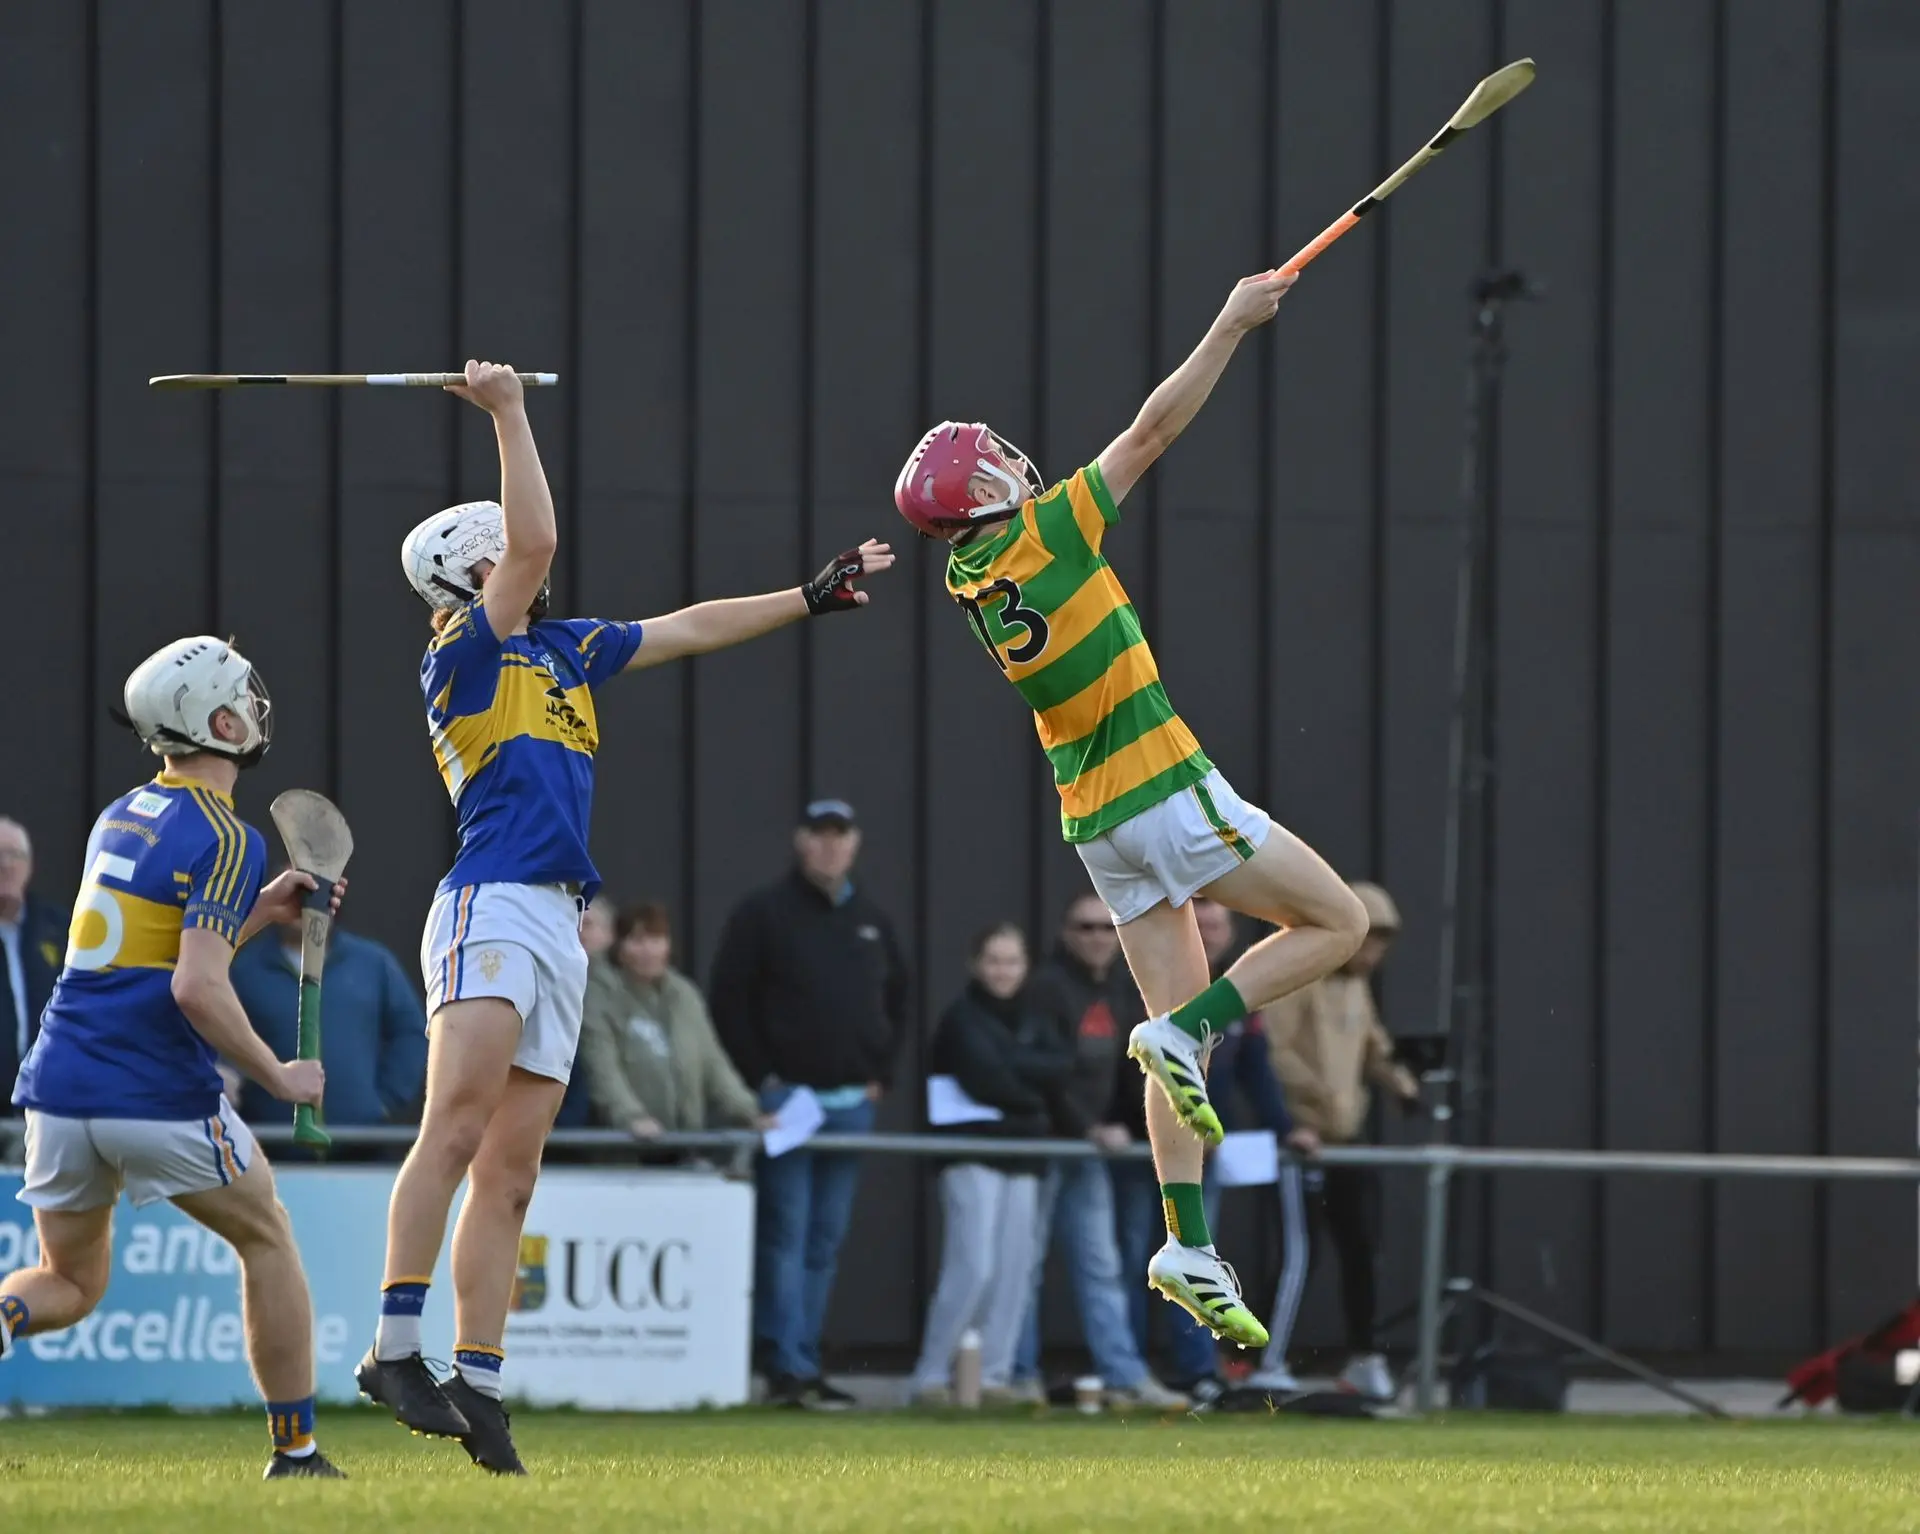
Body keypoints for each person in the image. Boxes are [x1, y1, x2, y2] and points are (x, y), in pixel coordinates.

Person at [361, 360, 894, 1471]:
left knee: (512, 1172)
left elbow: (689, 627)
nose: (520, 560)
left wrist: (806, 596)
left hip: (559, 921)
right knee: (454, 1127)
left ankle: (481, 1380)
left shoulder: (565, 651)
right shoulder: (463, 652)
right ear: (466, 574)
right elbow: (538, 540)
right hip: (491, 902)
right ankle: (394, 1348)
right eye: (492, 554)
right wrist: (509, 412)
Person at [895, 270, 1369, 1349]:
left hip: (1096, 826)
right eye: (993, 457)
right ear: (985, 490)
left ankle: (1187, 1242)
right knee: (1336, 922)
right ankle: (1186, 1033)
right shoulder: (1046, 532)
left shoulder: (971, 576)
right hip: (1163, 789)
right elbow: (1152, 430)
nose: (1014, 457)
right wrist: (1231, 323)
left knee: (1170, 1046)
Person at [1, 637, 346, 1478]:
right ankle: (296, 1452)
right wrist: (278, 1075)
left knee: (69, 1283)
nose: (255, 708)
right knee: (267, 1236)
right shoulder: (226, 835)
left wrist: (258, 911)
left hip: (59, 1087)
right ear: (220, 724)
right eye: (244, 698)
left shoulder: (121, 813)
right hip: (150, 1088)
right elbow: (195, 987)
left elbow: (157, 951)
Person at [709, 798, 910, 1409]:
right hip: (788, 1104)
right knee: (786, 1234)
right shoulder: (763, 913)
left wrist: (881, 1073)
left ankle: (805, 1358)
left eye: (839, 835)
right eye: (819, 834)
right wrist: (763, 1079)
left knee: (824, 1239)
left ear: (855, 843)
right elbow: (729, 1000)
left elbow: (898, 999)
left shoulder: (872, 920)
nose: (829, 846)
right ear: (801, 842)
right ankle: (783, 1365)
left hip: (850, 1104)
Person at [1108, 898, 1315, 1398]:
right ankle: (1131, 1372)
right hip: (1144, 1148)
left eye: (1216, 925)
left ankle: (1198, 1371)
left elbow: (1255, 1069)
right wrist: (1120, 1125)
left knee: (1196, 1259)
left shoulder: (1234, 993)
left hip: (1203, 1150)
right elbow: (1120, 1065)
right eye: (1198, 924)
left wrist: (1284, 1128)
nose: (1207, 933)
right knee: (1132, 1257)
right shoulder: (1150, 981)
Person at [1013, 892, 1186, 1411]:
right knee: (1026, 1265)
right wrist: (1086, 1126)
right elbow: (1042, 1072)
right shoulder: (1046, 987)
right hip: (1045, 1146)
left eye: (1106, 927)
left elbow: (1132, 1069)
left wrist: (1149, 1127)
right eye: (1084, 927)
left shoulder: (1119, 987)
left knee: (1101, 1266)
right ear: (1066, 933)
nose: (1096, 938)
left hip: (1088, 1151)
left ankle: (1124, 1375)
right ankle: (1018, 1375)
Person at [1262, 881, 1421, 1402]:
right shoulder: (1299, 975)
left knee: (1363, 1249)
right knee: (1298, 1256)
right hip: (1302, 1138)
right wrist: (1317, 1098)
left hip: (1347, 1140)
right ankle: (1263, 1359)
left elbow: (1375, 1047)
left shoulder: (1357, 988)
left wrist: (1403, 1086)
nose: (1374, 954)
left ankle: (1365, 1357)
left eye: (1383, 944)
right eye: (1369, 940)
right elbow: (1275, 1051)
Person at [909, 924, 1067, 1406]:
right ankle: (930, 1377)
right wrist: (1033, 1102)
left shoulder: (1037, 1018)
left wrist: (1016, 1071)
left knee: (1015, 1270)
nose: (1003, 971)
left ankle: (993, 1377)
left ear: (1026, 966)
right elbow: (984, 1077)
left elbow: (1063, 1066)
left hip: (1023, 1157)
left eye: (1012, 961)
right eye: (994, 960)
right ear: (975, 964)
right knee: (973, 1265)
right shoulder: (960, 1019)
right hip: (971, 1154)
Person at [230, 866, 428, 1134]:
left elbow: (411, 1033)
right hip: (272, 1142)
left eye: (316, 892)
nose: (306, 903)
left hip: (362, 1143)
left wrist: (384, 1101)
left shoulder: (372, 964)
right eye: (297, 893)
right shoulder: (245, 969)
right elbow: (218, 1034)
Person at [579, 900, 767, 1139]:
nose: (648, 950)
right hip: (627, 1145)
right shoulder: (599, 995)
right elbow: (602, 1067)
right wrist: (631, 1116)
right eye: (637, 940)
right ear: (619, 946)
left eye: (656, 940)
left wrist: (750, 1113)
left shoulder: (685, 996)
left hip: (684, 1142)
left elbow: (714, 1066)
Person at [0, 817, 66, 1121]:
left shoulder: (61, 932)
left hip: (46, 1109)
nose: (5, 865)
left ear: (29, 866)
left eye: (14, 855)